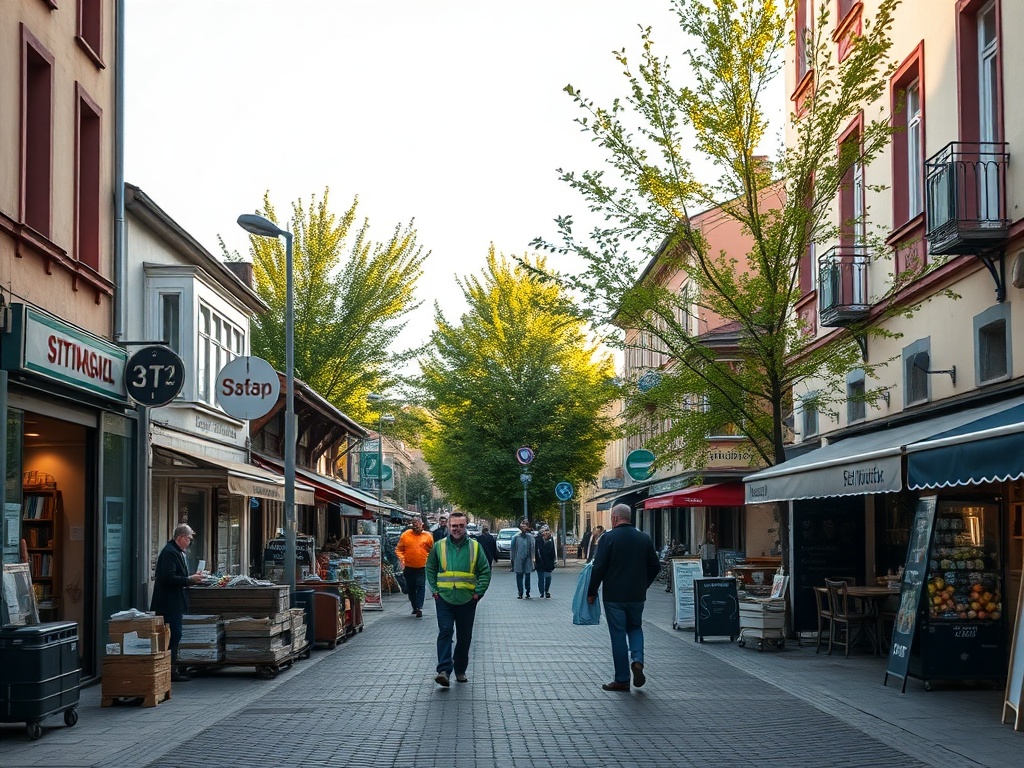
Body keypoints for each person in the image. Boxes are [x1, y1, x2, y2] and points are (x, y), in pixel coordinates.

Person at [587, 504, 660, 692]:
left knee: (618, 634)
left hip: (614, 596)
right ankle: (637, 660)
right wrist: (643, 585)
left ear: (614, 518)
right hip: (637, 595)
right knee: (635, 627)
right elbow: (655, 566)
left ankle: (622, 679)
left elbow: (599, 567)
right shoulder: (643, 538)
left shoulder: (608, 538)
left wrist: (592, 591)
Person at [425, 510, 491, 687]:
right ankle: (444, 670)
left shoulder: (475, 547)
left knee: (464, 637)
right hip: (444, 599)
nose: (457, 529)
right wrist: (435, 590)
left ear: (466, 526)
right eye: (454, 526)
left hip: (467, 600)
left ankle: (460, 670)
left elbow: (485, 571)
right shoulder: (439, 546)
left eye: (461, 526)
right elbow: (430, 568)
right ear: (448, 526)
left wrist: (478, 592)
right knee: (445, 632)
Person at [151, 523, 204, 682]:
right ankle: (168, 668)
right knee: (173, 634)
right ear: (180, 537)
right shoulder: (170, 553)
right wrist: (188, 580)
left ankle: (170, 667)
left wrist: (192, 579)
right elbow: (168, 577)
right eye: (188, 539)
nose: (190, 542)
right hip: (169, 603)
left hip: (175, 601)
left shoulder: (177, 552)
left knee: (174, 633)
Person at [396, 516, 435, 618]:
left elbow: (432, 550)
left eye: (418, 523)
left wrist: (430, 561)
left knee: (421, 586)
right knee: (411, 587)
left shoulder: (428, 536)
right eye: (414, 523)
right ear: (412, 524)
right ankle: (415, 606)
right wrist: (403, 559)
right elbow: (399, 549)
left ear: (422, 524)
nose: (416, 525)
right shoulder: (406, 535)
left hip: (422, 566)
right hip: (409, 566)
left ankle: (419, 608)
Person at [510, 518, 536, 599]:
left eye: (525, 526)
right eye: (522, 526)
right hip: (519, 559)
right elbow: (513, 550)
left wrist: (533, 559)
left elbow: (533, 549)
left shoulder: (531, 537)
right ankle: (520, 592)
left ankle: (528, 591)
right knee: (519, 576)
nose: (524, 528)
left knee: (527, 576)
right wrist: (513, 560)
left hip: (528, 559)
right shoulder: (516, 537)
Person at [534, 525, 556, 598]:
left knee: (548, 577)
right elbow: (536, 551)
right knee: (541, 578)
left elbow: (553, 551)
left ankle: (546, 590)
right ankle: (541, 592)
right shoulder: (538, 540)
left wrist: (554, 561)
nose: (546, 533)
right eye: (544, 531)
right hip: (540, 562)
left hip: (548, 562)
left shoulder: (551, 540)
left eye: (547, 531)